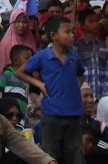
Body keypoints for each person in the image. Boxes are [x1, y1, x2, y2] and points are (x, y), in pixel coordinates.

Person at [26, 17, 85, 164]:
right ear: (54, 36)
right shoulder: (42, 56)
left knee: (75, 155)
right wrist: (39, 84)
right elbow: (20, 72)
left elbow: (80, 75)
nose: (72, 35)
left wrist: (72, 90)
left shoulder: (74, 58)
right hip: (52, 115)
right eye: (67, 32)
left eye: (73, 31)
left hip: (74, 115)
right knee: (51, 155)